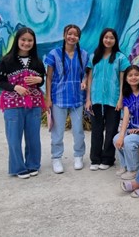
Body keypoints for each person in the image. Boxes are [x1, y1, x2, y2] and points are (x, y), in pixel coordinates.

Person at [0, 27, 45, 179]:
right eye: (23, 40)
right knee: (14, 137)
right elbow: (0, 82)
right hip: (12, 105)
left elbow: (42, 79)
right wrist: (15, 87)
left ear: (34, 42)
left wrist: (39, 80)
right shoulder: (6, 61)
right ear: (17, 40)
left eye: (30, 40)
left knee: (33, 137)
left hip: (34, 104)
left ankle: (33, 164)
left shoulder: (37, 61)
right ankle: (18, 167)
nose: (26, 43)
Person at [44, 24, 89, 174]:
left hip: (77, 99)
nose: (72, 37)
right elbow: (48, 77)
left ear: (78, 38)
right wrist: (48, 98)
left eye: (75, 35)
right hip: (59, 98)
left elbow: (85, 74)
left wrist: (84, 81)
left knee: (78, 131)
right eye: (69, 34)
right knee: (58, 132)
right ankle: (56, 158)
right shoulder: (54, 54)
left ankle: (78, 155)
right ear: (64, 35)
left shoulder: (83, 54)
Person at [85, 28, 130, 171]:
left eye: (111, 38)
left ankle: (108, 158)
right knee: (96, 130)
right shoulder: (94, 56)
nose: (108, 40)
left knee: (111, 130)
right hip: (96, 99)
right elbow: (89, 78)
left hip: (113, 99)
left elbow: (123, 80)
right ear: (102, 39)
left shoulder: (120, 58)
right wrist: (88, 99)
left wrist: (120, 99)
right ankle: (95, 159)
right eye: (106, 37)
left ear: (115, 40)